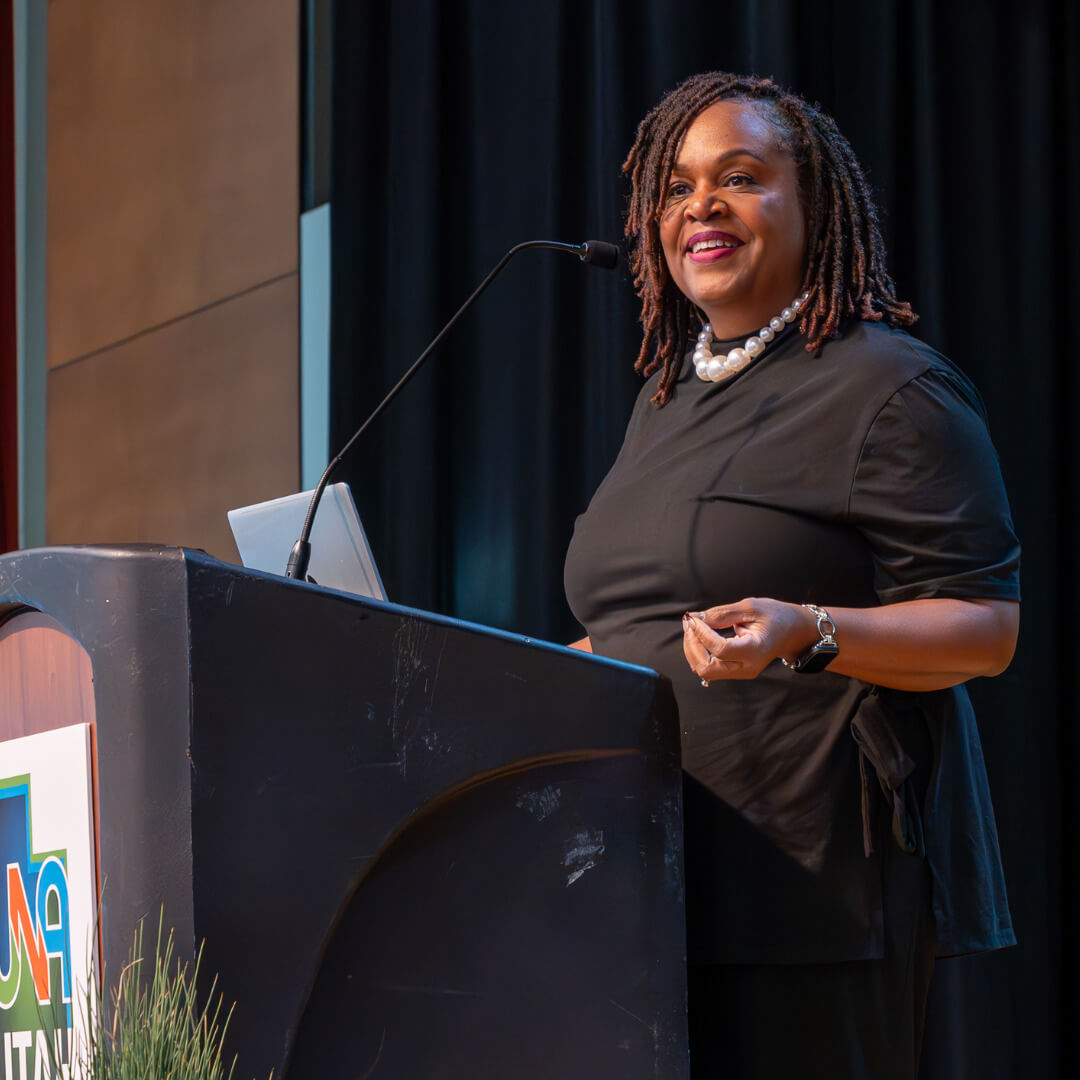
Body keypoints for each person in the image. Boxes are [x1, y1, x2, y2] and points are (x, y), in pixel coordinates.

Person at [563, 72, 1020, 1079]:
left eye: (739, 176)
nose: (700, 207)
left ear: (812, 202)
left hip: (811, 900)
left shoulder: (892, 387)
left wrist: (806, 629)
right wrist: (523, 678)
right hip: (648, 885)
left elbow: (986, 629)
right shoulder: (664, 402)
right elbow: (636, 625)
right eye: (677, 188)